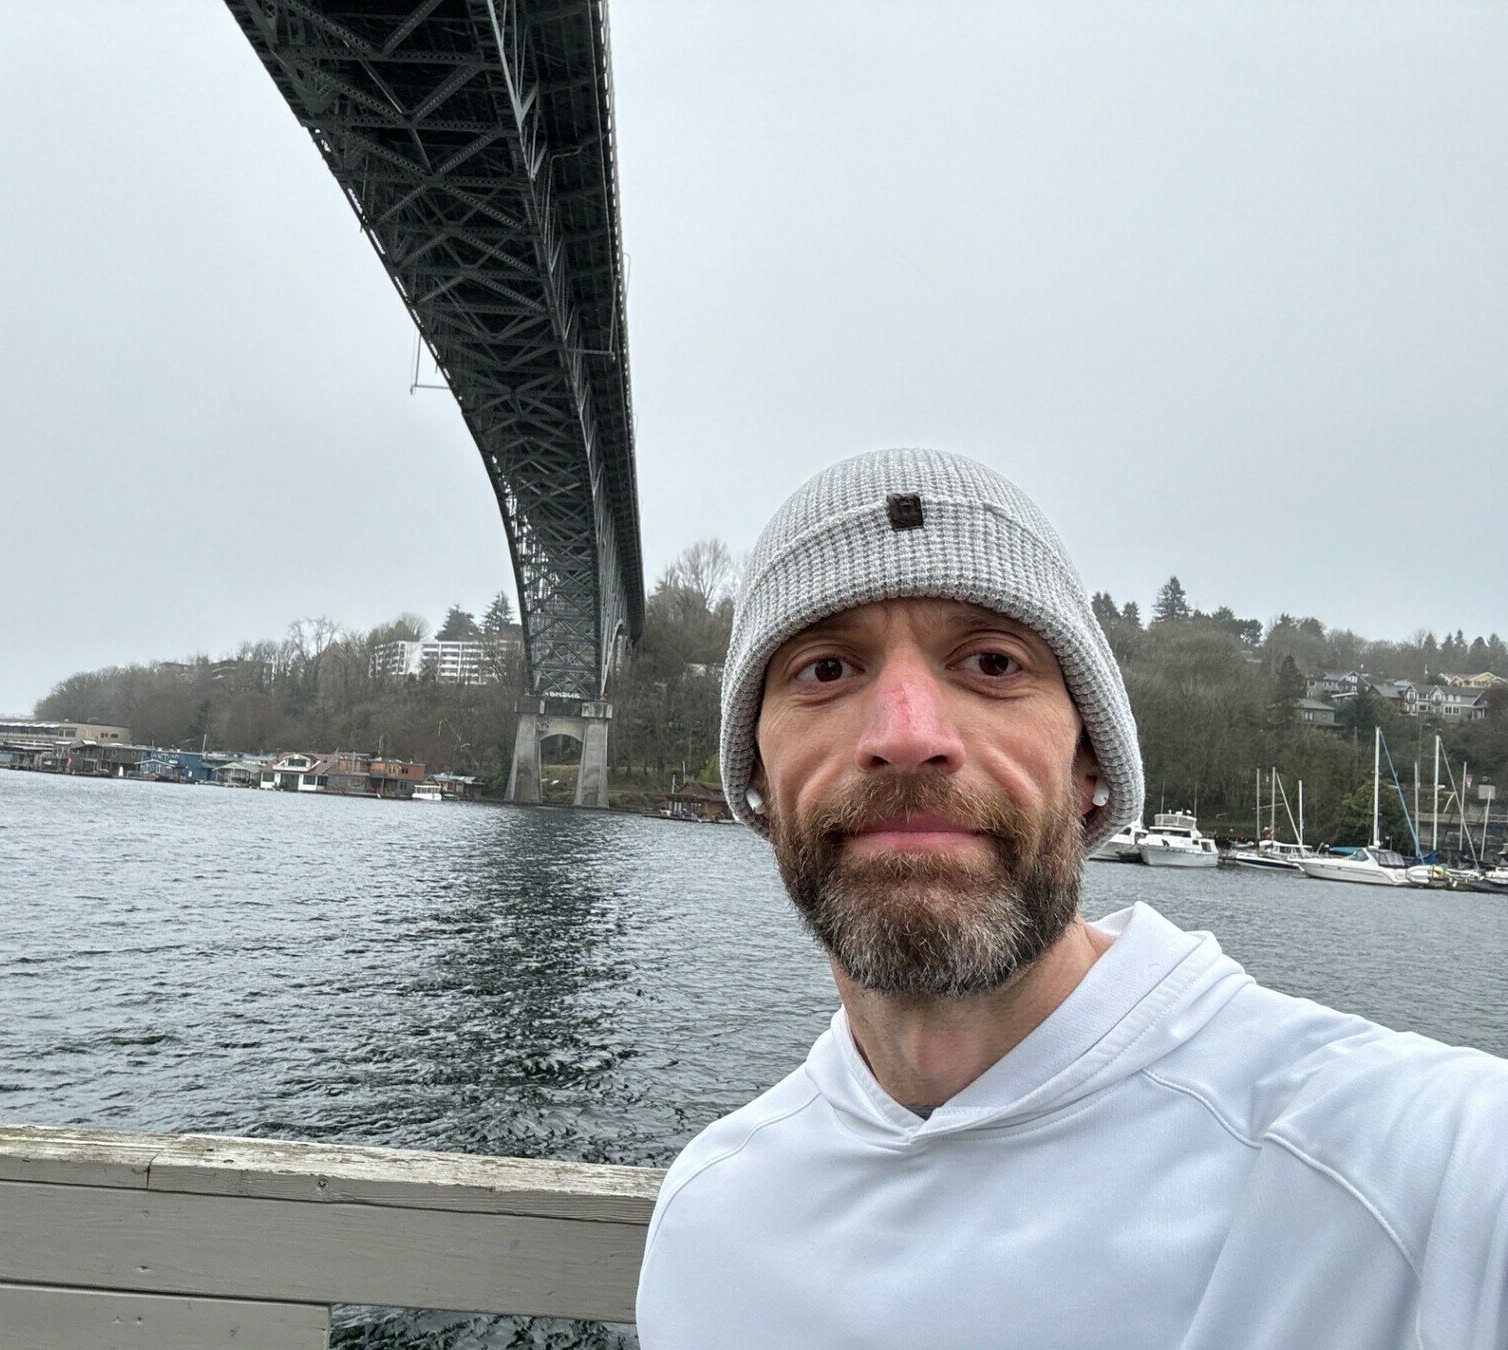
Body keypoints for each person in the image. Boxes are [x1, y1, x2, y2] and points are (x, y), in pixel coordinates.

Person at [635, 448, 1508, 1350]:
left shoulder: (1423, 1177)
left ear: (1091, 763)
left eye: (991, 661)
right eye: (824, 670)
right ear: (757, 775)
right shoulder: (712, 1223)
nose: (907, 736)